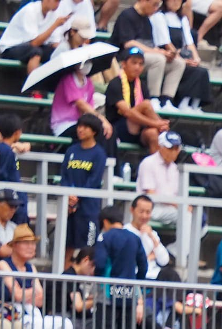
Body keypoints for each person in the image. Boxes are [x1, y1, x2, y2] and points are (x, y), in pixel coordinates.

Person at [0, 225, 78, 329]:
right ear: (14, 245)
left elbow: (40, 299)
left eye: (33, 243)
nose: (31, 247)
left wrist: (25, 293)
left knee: (64, 323)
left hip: (34, 313)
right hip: (16, 316)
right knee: (36, 325)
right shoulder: (3, 264)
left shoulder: (31, 267)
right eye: (26, 243)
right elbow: (17, 295)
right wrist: (30, 292)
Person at [92, 204, 147, 329]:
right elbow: (143, 265)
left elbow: (100, 263)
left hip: (108, 291)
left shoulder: (104, 238)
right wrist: (136, 281)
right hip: (128, 291)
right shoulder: (134, 238)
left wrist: (98, 278)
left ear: (106, 222)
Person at [112, 0, 184, 107]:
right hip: (126, 58)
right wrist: (158, 52)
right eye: (154, 4)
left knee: (178, 63)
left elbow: (150, 44)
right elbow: (129, 43)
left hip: (146, 57)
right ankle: (153, 98)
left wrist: (165, 53)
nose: (156, 8)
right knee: (158, 59)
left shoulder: (147, 21)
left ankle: (166, 100)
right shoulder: (127, 16)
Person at [105, 46, 170, 156]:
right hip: (119, 129)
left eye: (140, 64)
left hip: (139, 128)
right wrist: (157, 123)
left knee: (153, 134)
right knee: (145, 105)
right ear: (124, 64)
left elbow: (147, 113)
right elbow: (127, 112)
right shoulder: (115, 84)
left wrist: (156, 126)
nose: (137, 67)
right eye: (134, 63)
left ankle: (156, 170)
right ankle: (167, 134)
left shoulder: (142, 85)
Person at [51, 34, 113, 146]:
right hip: (64, 125)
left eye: (90, 61)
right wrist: (101, 119)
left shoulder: (88, 82)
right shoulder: (68, 79)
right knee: (97, 131)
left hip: (81, 124)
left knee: (108, 133)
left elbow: (86, 110)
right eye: (85, 62)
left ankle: (112, 163)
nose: (88, 65)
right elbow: (81, 104)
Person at [59, 113, 107, 258]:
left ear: (94, 131)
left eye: (85, 127)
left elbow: (94, 180)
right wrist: (69, 196)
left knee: (88, 249)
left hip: (88, 208)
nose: (80, 130)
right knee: (66, 246)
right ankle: (64, 279)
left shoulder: (99, 154)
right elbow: (65, 175)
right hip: (69, 207)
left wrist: (77, 196)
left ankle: (86, 281)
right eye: (79, 126)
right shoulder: (71, 150)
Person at [0, 0, 67, 75]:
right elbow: (34, 43)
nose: (58, 4)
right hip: (10, 48)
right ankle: (33, 85)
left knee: (55, 54)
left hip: (31, 47)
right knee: (35, 51)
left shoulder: (54, 14)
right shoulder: (30, 10)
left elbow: (55, 43)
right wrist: (55, 25)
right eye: (56, 1)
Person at [135, 129, 184, 229]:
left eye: (176, 149)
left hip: (170, 209)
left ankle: (176, 245)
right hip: (150, 208)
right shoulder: (148, 163)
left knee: (199, 218)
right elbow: (151, 194)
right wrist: (178, 204)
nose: (173, 152)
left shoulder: (175, 168)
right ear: (161, 147)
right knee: (186, 215)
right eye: (170, 148)